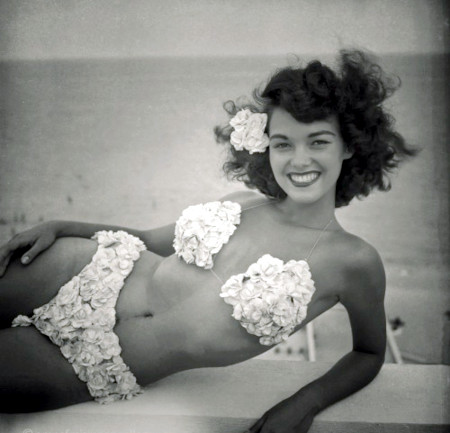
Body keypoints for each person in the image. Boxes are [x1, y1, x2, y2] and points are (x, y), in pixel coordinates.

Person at [0, 50, 415, 432]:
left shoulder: (354, 261)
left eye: (318, 141)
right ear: (267, 148)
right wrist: (63, 225)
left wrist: (305, 402)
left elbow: (368, 354)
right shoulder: (243, 203)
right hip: (81, 267)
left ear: (349, 146)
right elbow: (146, 241)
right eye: (283, 143)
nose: (299, 159)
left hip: (96, 361)